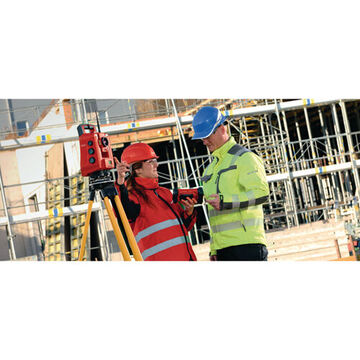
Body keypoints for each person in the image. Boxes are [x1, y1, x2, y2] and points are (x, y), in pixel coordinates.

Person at [192, 106, 269, 261]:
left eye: (207, 135)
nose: (204, 141)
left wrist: (226, 201)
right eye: (202, 138)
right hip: (222, 250)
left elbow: (261, 193)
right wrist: (214, 248)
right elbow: (214, 215)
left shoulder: (244, 158)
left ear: (221, 128)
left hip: (248, 245)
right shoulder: (209, 170)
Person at [114, 142, 197, 261]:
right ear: (137, 169)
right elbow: (123, 210)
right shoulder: (133, 197)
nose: (156, 165)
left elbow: (183, 228)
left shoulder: (164, 193)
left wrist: (189, 212)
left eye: (155, 160)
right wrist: (120, 183)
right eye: (150, 161)